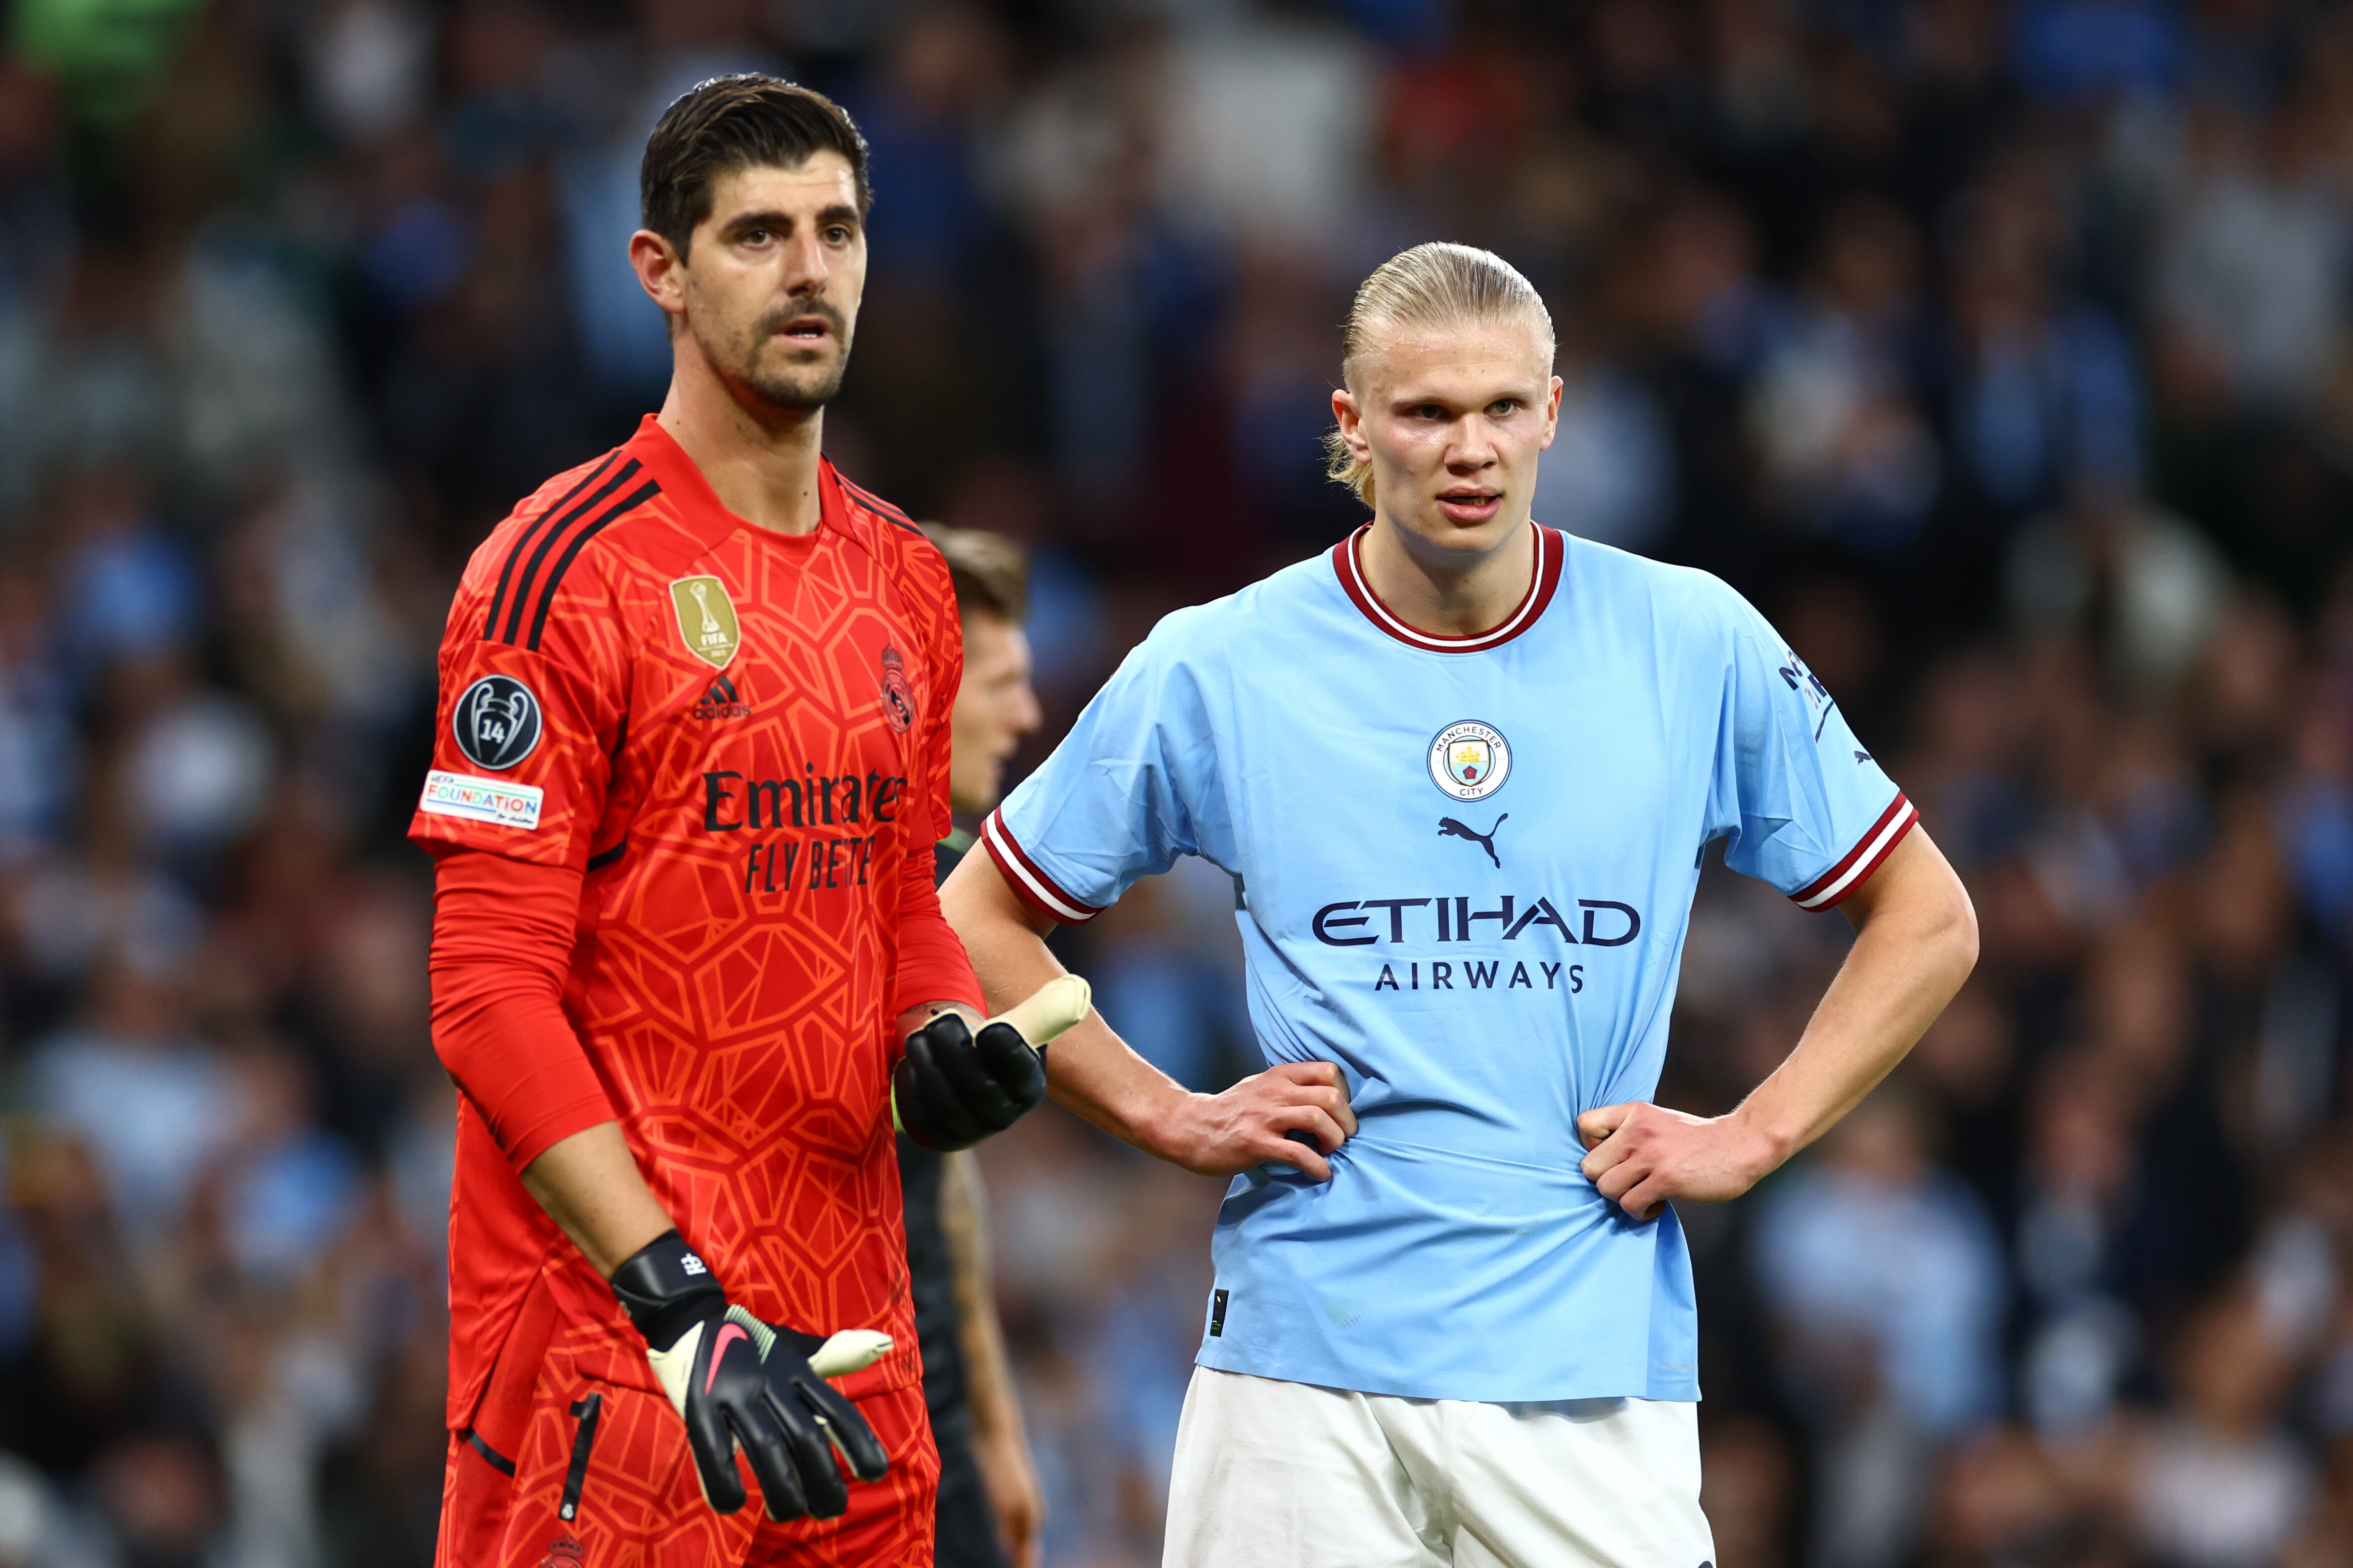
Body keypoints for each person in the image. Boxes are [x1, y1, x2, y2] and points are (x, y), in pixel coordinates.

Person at [941, 242, 1981, 1567]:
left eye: (1502, 407)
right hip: (1300, 1376)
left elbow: (1929, 917)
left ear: (1555, 413)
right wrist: (1166, 1112)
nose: (1470, 448)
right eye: (1427, 411)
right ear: (1353, 424)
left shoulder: (1690, 639)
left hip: (1587, 1374)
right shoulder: (1222, 661)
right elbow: (975, 917)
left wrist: (1759, 1134)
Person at [413, 76, 1062, 1567]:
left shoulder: (907, 578)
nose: (809, 270)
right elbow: (484, 992)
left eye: (837, 230)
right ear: (662, 270)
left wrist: (938, 1032)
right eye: (759, 235)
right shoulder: (557, 569)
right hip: (624, 1359)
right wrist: (676, 1304)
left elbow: (899, 904)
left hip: (854, 1364)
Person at [901, 524, 1044, 1568]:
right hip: (796, 1382)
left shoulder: (942, 882)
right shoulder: (815, 889)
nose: (1027, 715)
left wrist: (990, 1428)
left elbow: (947, 1190)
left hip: (925, 1389)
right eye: (1001, 684)